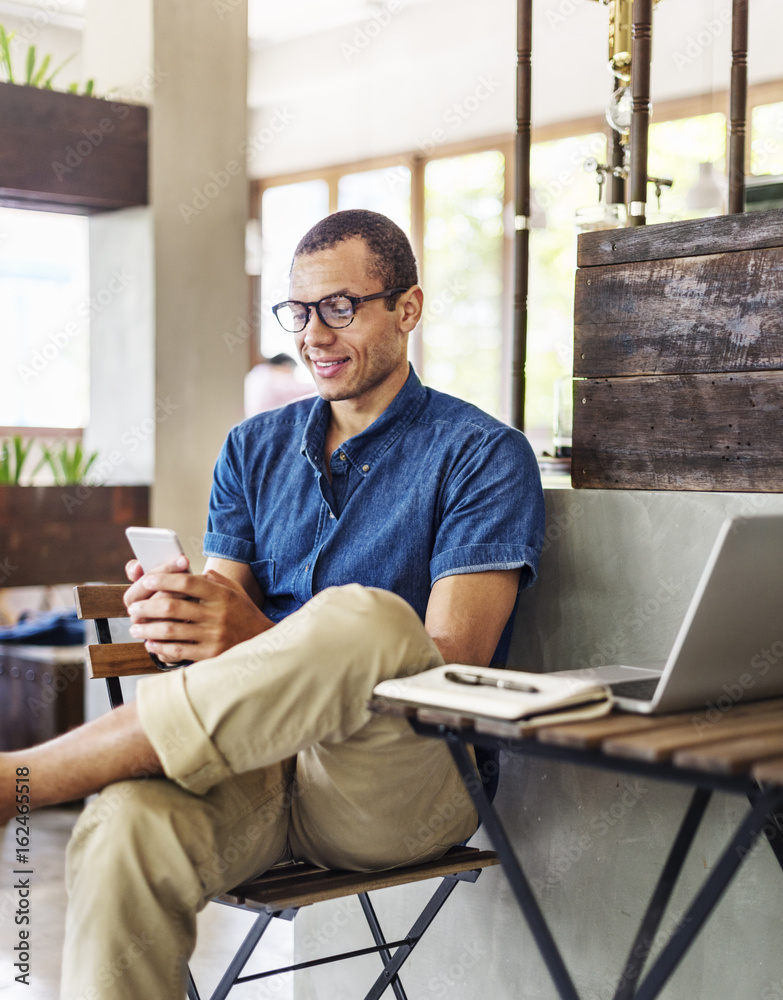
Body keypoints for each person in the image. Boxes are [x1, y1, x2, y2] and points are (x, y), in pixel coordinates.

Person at [0, 210, 544, 999]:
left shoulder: (481, 454)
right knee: (124, 825)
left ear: (407, 308)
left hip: (396, 782)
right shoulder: (252, 448)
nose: (313, 334)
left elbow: (448, 664)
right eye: (298, 312)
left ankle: (25, 780)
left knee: (369, 617)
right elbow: (226, 619)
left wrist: (256, 633)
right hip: (255, 770)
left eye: (341, 307)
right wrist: (181, 614)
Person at [243, 351, 311, 417]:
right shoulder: (274, 377)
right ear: (286, 365)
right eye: (292, 370)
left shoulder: (256, 373)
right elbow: (298, 390)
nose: (292, 375)